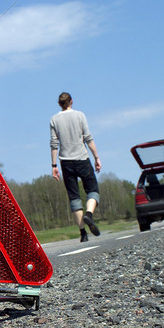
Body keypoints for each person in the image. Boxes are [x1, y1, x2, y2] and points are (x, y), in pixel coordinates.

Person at [50, 92, 101, 242]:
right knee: (93, 191)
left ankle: (83, 233)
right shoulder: (80, 115)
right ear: (72, 101)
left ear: (60, 104)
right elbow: (88, 138)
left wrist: (54, 165)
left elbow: (54, 144)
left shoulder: (54, 119)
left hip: (65, 162)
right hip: (82, 159)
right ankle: (89, 215)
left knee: (74, 197)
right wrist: (97, 157)